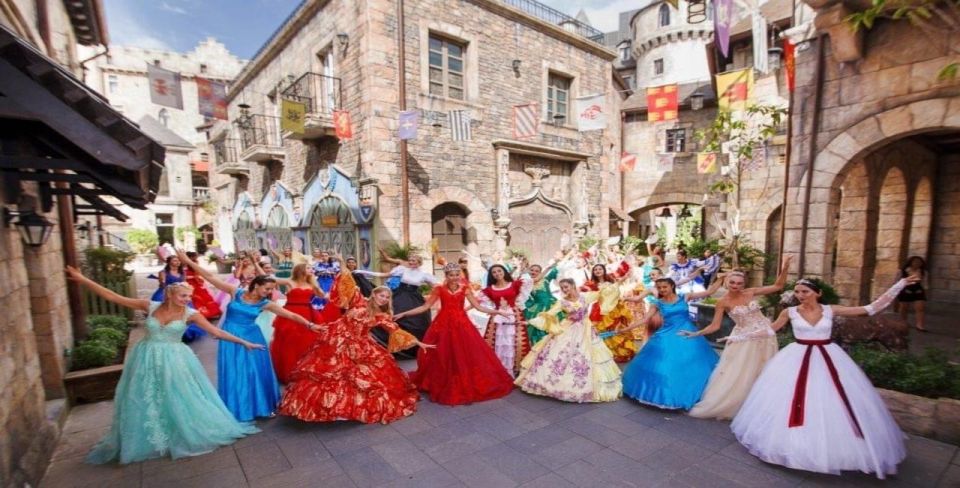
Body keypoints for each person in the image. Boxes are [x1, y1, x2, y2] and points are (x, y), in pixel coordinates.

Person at [65, 266, 261, 465]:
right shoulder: (149, 306)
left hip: (175, 359)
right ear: (169, 295)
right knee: (144, 394)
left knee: (178, 394)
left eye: (189, 296)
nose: (187, 299)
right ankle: (150, 435)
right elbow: (113, 297)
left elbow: (217, 333)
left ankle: (182, 430)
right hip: (146, 357)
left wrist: (244, 342)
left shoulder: (191, 314)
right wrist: (83, 280)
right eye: (183, 296)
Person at [730, 275, 919, 479]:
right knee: (791, 399)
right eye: (797, 291)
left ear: (817, 293)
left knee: (834, 398)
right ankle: (793, 444)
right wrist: (738, 337)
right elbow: (769, 330)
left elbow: (870, 308)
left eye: (805, 291)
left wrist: (899, 286)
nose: (800, 295)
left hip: (828, 357)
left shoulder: (831, 310)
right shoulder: (789, 312)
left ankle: (844, 446)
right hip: (796, 357)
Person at [176, 250, 318, 421]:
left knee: (256, 371)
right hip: (229, 336)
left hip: (253, 336)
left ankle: (263, 406)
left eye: (271, 289)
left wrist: (310, 324)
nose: (269, 292)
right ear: (256, 285)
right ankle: (239, 406)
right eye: (267, 288)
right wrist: (188, 262)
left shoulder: (265, 303)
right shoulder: (235, 292)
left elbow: (291, 315)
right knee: (235, 370)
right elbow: (209, 277)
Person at [279, 283, 433, 423]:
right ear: (374, 294)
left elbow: (396, 331)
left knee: (359, 377)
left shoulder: (382, 316)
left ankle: (346, 410)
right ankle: (329, 408)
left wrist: (418, 342)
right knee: (327, 373)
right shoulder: (359, 301)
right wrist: (341, 263)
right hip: (337, 341)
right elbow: (347, 284)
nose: (384, 299)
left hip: (361, 346)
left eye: (387, 297)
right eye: (381, 295)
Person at [685, 256, 792, 420]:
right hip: (744, 339)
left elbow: (778, 286)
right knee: (742, 373)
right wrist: (696, 333)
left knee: (763, 370)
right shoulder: (723, 302)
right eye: (732, 282)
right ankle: (737, 404)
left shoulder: (751, 292)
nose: (735, 286)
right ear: (727, 282)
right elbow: (715, 326)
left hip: (765, 336)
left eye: (739, 283)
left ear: (744, 284)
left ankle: (759, 404)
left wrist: (785, 267)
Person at [399, 263, 515, 405]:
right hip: (442, 325)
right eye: (451, 275)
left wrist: (497, 311)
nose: (454, 278)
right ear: (446, 276)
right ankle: (442, 380)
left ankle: (463, 378)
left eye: (456, 275)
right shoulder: (439, 289)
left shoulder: (465, 289)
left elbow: (478, 306)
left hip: (462, 325)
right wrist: (404, 313)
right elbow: (425, 306)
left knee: (465, 353)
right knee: (442, 354)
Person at [616, 277, 722, 409]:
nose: (662, 290)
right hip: (666, 335)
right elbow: (645, 319)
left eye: (664, 287)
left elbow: (709, 292)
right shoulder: (657, 303)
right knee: (665, 363)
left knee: (692, 363)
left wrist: (722, 278)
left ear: (672, 286)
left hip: (687, 333)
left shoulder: (685, 296)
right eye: (659, 287)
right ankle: (663, 395)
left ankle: (693, 391)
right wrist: (626, 329)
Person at [516, 278, 622, 402]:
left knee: (586, 355)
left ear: (573, 285)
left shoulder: (585, 296)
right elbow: (549, 314)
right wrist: (529, 321)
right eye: (562, 288)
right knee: (559, 354)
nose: (564, 290)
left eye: (566, 286)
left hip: (585, 329)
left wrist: (615, 284)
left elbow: (603, 293)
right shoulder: (562, 302)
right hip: (567, 328)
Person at [366, 252, 439, 359]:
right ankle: (392, 345)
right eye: (410, 260)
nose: (411, 262)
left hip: (415, 299)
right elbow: (384, 275)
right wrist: (364, 272)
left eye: (413, 260)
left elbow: (437, 287)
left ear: (419, 263)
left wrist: (432, 296)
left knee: (418, 320)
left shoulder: (424, 275)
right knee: (393, 316)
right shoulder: (402, 270)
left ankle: (413, 347)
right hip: (399, 295)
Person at [269, 263, 327, 383]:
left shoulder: (311, 283)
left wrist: (316, 285)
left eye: (312, 268)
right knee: (290, 341)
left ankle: (306, 370)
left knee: (308, 341)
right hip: (291, 312)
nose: (311, 270)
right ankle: (290, 371)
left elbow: (322, 295)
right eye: (308, 268)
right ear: (301, 270)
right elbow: (270, 279)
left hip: (308, 312)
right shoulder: (290, 282)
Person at [479, 264, 533, 377]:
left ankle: (514, 370)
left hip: (515, 316)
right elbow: (483, 303)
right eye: (494, 272)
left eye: (499, 271)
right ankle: (500, 369)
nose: (497, 273)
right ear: (491, 275)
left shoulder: (515, 285)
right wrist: (493, 310)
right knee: (498, 343)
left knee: (515, 342)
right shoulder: (489, 290)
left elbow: (529, 281)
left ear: (504, 271)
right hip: (498, 319)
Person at [580, 263, 636, 363]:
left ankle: (619, 353)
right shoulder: (591, 284)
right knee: (603, 332)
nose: (598, 271)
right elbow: (586, 296)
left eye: (600, 269)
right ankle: (607, 354)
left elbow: (617, 284)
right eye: (595, 269)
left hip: (614, 309)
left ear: (604, 270)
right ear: (593, 272)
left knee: (616, 330)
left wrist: (625, 276)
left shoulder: (610, 279)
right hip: (600, 311)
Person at [523, 256, 563, 346]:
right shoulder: (527, 283)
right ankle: (540, 346)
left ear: (540, 273)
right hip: (538, 308)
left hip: (551, 305)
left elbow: (555, 271)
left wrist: (557, 262)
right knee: (538, 329)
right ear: (528, 271)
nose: (534, 272)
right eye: (532, 270)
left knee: (554, 327)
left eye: (537, 271)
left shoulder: (545, 279)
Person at [897, 256, 928, 332]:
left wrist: (925, 292)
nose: (917, 263)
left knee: (920, 308)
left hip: (918, 290)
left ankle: (919, 325)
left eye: (919, 262)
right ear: (910, 262)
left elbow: (925, 284)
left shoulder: (923, 272)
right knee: (904, 308)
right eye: (915, 262)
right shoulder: (903, 271)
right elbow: (897, 282)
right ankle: (903, 322)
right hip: (905, 290)